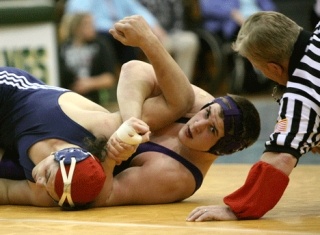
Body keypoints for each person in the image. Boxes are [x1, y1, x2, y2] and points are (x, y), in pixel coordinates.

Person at [0, 16, 260, 209]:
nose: (198, 123)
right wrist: (131, 119)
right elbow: (134, 70)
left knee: (42, 194)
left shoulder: (176, 176)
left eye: (212, 130)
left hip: (58, 165)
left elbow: (104, 197)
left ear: (220, 150)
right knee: (181, 98)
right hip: (37, 110)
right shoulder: (195, 103)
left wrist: (112, 159)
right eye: (207, 114)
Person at [186, 11, 320, 222]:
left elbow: (280, 158)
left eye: (259, 68)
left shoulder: (302, 95)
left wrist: (237, 208)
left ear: (274, 68)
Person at [64, 0, 163, 67]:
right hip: (98, 35)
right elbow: (78, 20)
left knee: (131, 38)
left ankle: (134, 74)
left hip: (119, 31)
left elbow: (138, 10)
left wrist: (154, 26)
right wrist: (117, 25)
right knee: (117, 38)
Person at [58, 12, 116, 104]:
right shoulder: (63, 48)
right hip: (69, 99)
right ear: (76, 28)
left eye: (92, 24)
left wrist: (89, 84)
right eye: (88, 24)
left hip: (96, 99)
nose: (93, 28)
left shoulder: (100, 45)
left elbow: (110, 78)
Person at [138, 0, 200, 81]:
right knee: (162, 45)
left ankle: (182, 85)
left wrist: (173, 32)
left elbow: (178, 19)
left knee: (190, 41)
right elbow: (138, 13)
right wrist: (152, 32)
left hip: (173, 33)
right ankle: (155, 85)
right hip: (151, 35)